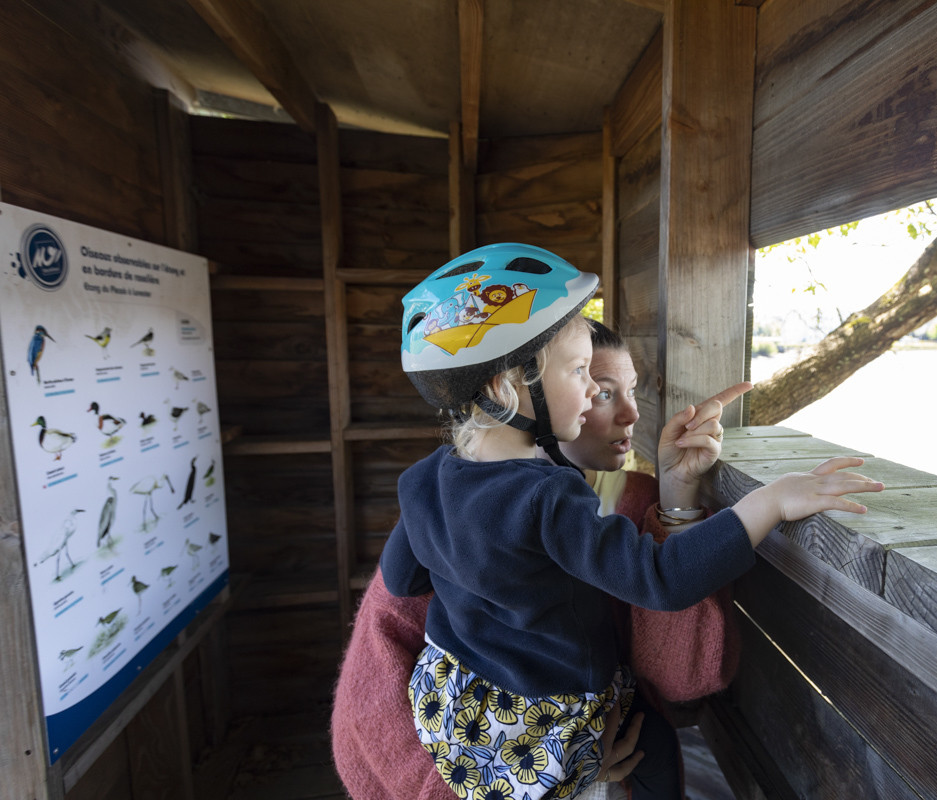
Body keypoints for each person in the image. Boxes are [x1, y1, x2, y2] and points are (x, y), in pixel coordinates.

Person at [337, 243, 883, 800]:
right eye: (582, 374)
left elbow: (407, 579)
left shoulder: (424, 479)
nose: (596, 392)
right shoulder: (548, 498)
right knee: (656, 752)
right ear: (506, 388)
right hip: (543, 726)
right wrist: (769, 502)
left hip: (452, 708)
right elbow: (661, 580)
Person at [332, 318, 748, 800]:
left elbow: (683, 678)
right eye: (597, 387)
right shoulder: (470, 507)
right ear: (514, 391)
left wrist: (677, 498)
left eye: (631, 390)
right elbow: (366, 711)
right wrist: (549, 778)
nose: (632, 414)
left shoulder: (634, 503)